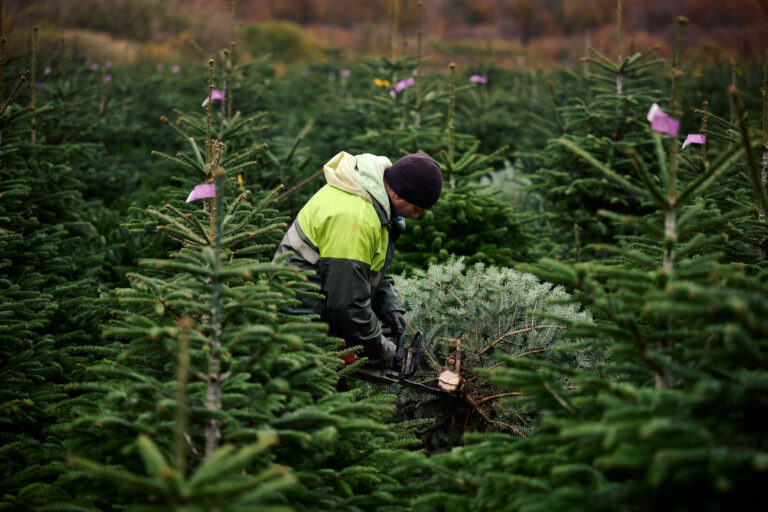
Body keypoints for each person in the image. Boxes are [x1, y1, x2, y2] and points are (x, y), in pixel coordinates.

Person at [272, 151, 443, 369]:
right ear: (399, 194)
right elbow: (348, 305)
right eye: (416, 208)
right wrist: (383, 352)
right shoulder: (355, 218)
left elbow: (370, 268)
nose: (416, 215)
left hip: (318, 307)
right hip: (298, 321)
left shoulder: (374, 201)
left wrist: (389, 305)